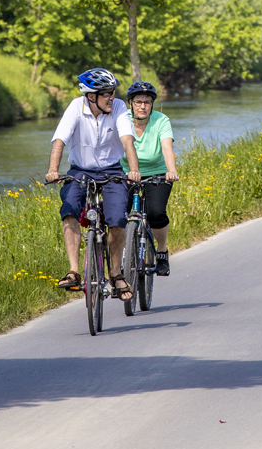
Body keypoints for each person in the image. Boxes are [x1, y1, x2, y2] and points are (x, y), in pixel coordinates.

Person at [46, 67, 141, 298]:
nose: (112, 97)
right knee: (69, 209)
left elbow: (127, 140)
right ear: (91, 96)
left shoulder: (118, 107)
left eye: (112, 92)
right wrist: (53, 170)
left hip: (112, 171)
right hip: (80, 171)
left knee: (117, 218)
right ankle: (74, 271)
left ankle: (116, 274)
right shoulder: (75, 107)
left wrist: (134, 170)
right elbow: (60, 140)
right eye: (106, 93)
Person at [122, 80, 178, 277]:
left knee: (156, 212)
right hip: (126, 173)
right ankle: (121, 254)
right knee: (117, 214)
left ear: (152, 104)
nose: (143, 106)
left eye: (147, 102)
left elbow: (167, 148)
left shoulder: (161, 120)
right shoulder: (122, 119)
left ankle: (161, 251)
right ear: (131, 103)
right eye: (138, 102)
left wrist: (171, 171)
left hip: (157, 173)